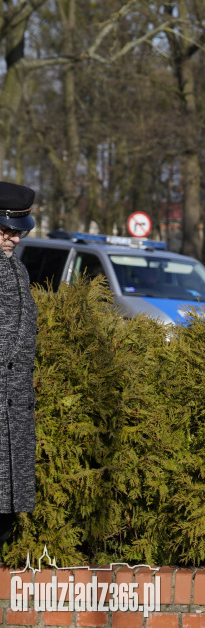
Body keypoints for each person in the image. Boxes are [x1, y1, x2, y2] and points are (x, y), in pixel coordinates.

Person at [0, 182, 38, 544]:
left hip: (14, 417)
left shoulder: (19, 271)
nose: (12, 239)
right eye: (5, 230)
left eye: (17, 231)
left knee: (6, 518)